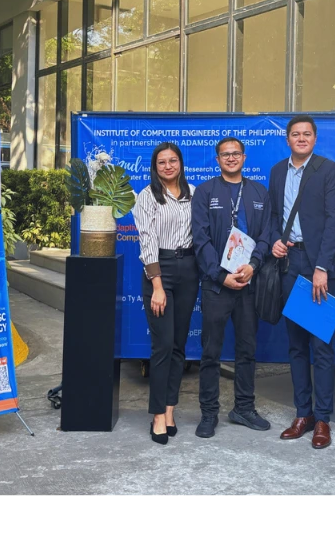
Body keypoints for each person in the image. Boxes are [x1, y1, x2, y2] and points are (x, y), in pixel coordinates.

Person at [269, 114, 335, 449]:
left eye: (307, 134)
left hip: (317, 267)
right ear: (288, 139)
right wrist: (274, 239)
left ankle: (323, 419)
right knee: (296, 344)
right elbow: (273, 216)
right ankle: (303, 413)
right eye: (295, 134)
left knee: (321, 346)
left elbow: (333, 222)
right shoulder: (277, 171)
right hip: (289, 262)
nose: (301, 138)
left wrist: (322, 267)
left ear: (315, 139)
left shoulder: (328, 170)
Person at [191, 137, 272, 439]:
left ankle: (244, 408)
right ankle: (209, 412)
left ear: (244, 157)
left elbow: (266, 234)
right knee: (210, 352)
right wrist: (218, 275)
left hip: (249, 283)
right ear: (217, 159)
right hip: (217, 285)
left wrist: (253, 265)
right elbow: (200, 238)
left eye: (236, 153)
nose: (231, 158)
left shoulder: (258, 192)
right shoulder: (205, 191)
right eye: (225, 154)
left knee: (246, 351)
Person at [133, 142, 199, 446]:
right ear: (155, 166)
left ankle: (170, 409)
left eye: (173, 161)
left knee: (178, 347)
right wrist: (157, 286)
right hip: (160, 271)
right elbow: (147, 242)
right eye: (162, 162)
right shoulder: (147, 197)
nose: (168, 166)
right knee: (162, 346)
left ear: (181, 164)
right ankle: (157, 415)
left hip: (190, 269)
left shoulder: (194, 194)